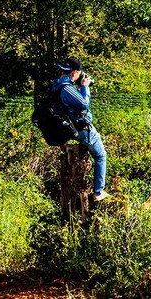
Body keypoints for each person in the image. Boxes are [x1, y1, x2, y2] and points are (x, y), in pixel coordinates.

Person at [53, 56, 109, 202]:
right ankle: (98, 192)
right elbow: (84, 103)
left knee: (85, 155)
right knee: (101, 156)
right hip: (82, 129)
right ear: (74, 73)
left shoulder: (57, 85)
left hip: (69, 129)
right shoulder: (66, 88)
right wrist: (84, 86)